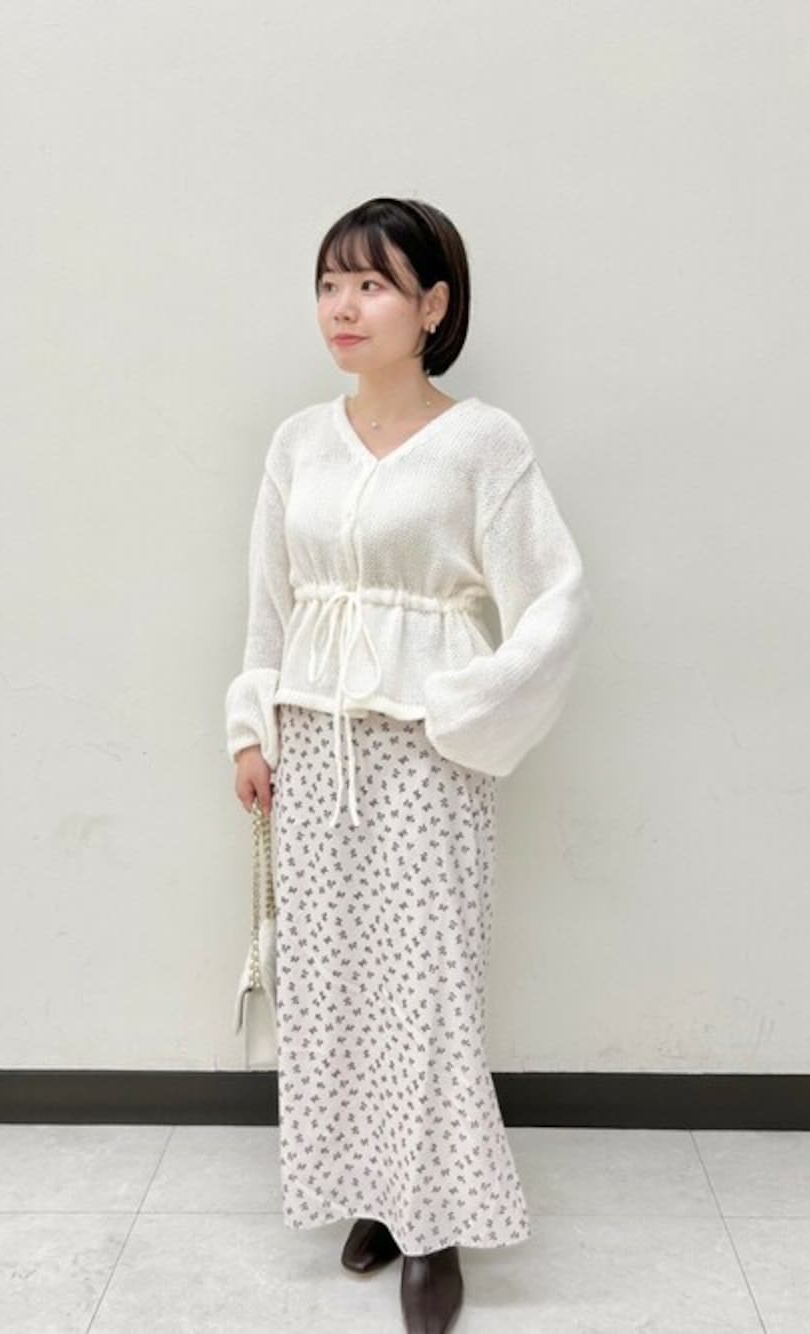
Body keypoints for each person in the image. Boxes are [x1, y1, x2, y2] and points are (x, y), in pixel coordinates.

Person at [225, 196, 593, 1334]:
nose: (344, 306)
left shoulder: (484, 443)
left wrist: (463, 703)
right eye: (330, 283)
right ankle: (372, 1194)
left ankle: (433, 1227)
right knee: (332, 985)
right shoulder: (298, 441)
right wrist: (251, 725)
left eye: (372, 284)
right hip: (313, 745)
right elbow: (272, 602)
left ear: (432, 306)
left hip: (426, 758)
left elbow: (555, 597)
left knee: (425, 989)